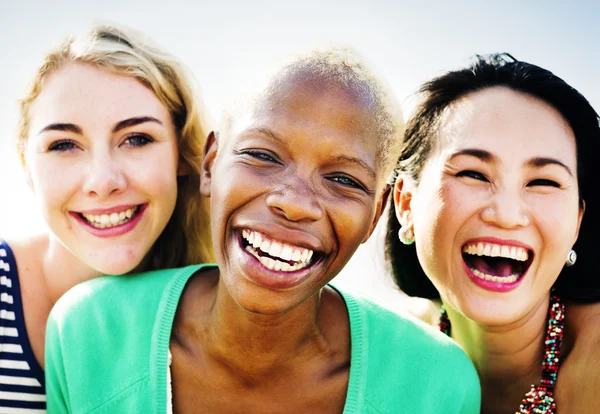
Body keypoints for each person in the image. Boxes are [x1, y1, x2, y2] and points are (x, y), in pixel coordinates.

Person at [45, 47, 481, 413]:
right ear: (212, 164)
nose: (292, 202)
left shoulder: (436, 385)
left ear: (376, 213)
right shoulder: (88, 333)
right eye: (262, 155)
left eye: (343, 179)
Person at [1, 23, 212, 411]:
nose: (103, 181)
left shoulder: (221, 314)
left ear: (181, 154)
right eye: (64, 144)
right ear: (25, 164)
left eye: (136, 139)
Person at [386, 53, 600, 413]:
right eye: (474, 174)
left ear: (577, 222)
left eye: (544, 181)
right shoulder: (381, 352)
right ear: (406, 204)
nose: (506, 215)